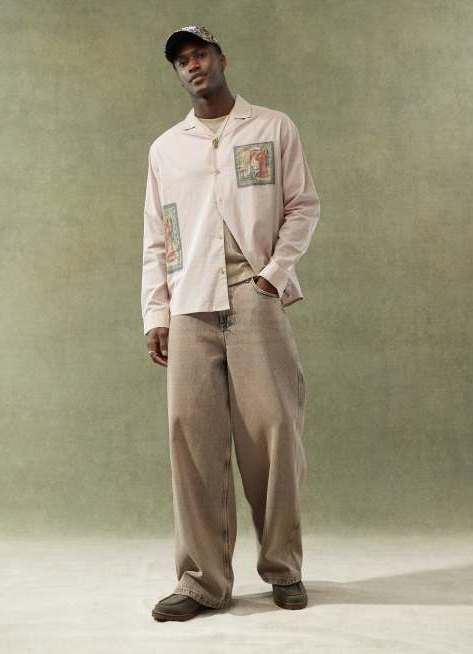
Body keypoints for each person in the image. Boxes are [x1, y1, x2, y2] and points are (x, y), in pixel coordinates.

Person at [141, 25, 320, 622]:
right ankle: (201, 583)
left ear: (221, 59)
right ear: (177, 73)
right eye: (182, 61)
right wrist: (156, 312)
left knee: (275, 432)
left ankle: (284, 569)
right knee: (190, 439)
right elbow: (158, 235)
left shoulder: (272, 127)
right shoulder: (167, 148)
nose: (192, 66)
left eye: (200, 54)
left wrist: (273, 275)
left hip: (253, 294)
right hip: (190, 303)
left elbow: (302, 205)